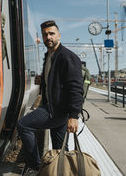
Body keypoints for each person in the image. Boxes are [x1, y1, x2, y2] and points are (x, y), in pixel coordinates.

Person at [17, 20, 84, 174]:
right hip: (56, 109)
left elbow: (75, 88)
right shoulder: (49, 56)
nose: (48, 37)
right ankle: (61, 172)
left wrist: (74, 115)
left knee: (23, 125)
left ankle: (34, 167)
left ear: (59, 35)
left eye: (52, 33)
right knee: (60, 151)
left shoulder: (67, 57)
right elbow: (57, 82)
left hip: (56, 110)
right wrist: (44, 81)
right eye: (45, 34)